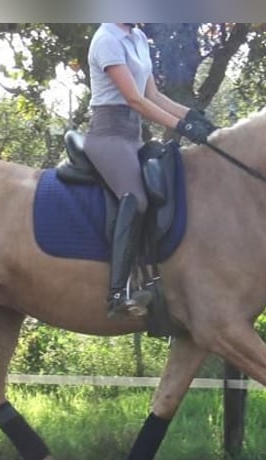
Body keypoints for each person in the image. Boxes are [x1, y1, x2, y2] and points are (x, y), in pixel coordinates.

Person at [84, 23, 217, 319]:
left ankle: (159, 278)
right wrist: (181, 127)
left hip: (133, 135)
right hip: (108, 135)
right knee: (136, 198)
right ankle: (118, 293)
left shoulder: (139, 38)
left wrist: (194, 117)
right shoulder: (107, 39)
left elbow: (152, 95)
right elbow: (134, 100)